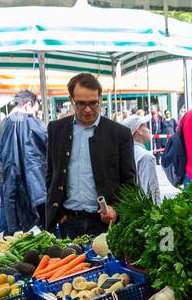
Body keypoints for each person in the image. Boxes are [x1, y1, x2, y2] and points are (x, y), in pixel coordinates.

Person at [44, 73, 137, 238]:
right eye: (81, 104)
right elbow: (51, 174)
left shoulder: (119, 133)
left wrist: (116, 212)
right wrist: (59, 214)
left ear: (100, 98)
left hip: (104, 224)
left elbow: (129, 183)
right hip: (68, 221)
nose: (88, 109)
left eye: (93, 103)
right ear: (71, 100)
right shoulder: (56, 129)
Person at [0, 90, 48, 237]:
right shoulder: (34, 123)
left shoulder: (1, 125)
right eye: (35, 111)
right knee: (34, 234)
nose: (35, 114)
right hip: (33, 189)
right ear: (28, 105)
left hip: (8, 186)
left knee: (8, 230)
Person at [125, 113, 162, 204]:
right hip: (144, 210)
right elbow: (151, 190)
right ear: (139, 131)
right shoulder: (146, 156)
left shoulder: (124, 152)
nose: (149, 130)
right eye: (146, 126)